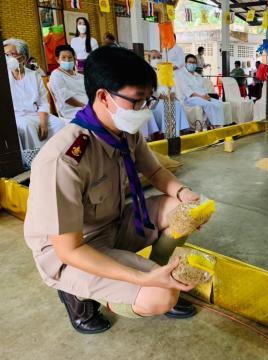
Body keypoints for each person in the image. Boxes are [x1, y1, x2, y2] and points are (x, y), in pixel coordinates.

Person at [24, 46, 205, 335]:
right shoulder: (64, 159)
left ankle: (155, 273)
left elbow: (156, 171)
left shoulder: (125, 131)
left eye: (149, 100)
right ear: (103, 97)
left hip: (113, 224)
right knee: (160, 297)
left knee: (183, 210)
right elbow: (69, 249)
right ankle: (79, 293)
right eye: (137, 100)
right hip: (73, 251)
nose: (145, 110)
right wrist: (141, 280)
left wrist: (185, 195)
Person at [4, 38, 65, 150]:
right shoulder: (4, 77)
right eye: (5, 55)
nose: (7, 58)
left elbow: (43, 103)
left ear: (23, 57)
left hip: (36, 114)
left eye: (11, 54)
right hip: (17, 117)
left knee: (60, 125)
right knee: (27, 126)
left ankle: (58, 155)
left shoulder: (34, 75)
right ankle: (34, 158)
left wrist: (43, 124)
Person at [175, 54, 225, 127]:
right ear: (185, 63)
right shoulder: (181, 75)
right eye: (190, 62)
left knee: (218, 103)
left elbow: (202, 88)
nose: (192, 64)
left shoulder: (197, 75)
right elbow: (188, 92)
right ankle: (216, 126)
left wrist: (206, 96)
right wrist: (202, 97)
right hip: (190, 99)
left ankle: (221, 126)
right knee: (209, 105)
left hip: (202, 97)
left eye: (194, 62)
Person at [48, 45, 88, 119]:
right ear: (57, 59)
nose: (67, 60)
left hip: (88, 105)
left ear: (74, 59)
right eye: (63, 57)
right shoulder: (56, 75)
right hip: (73, 109)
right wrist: (84, 106)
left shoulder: (80, 76)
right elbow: (66, 98)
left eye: (70, 57)